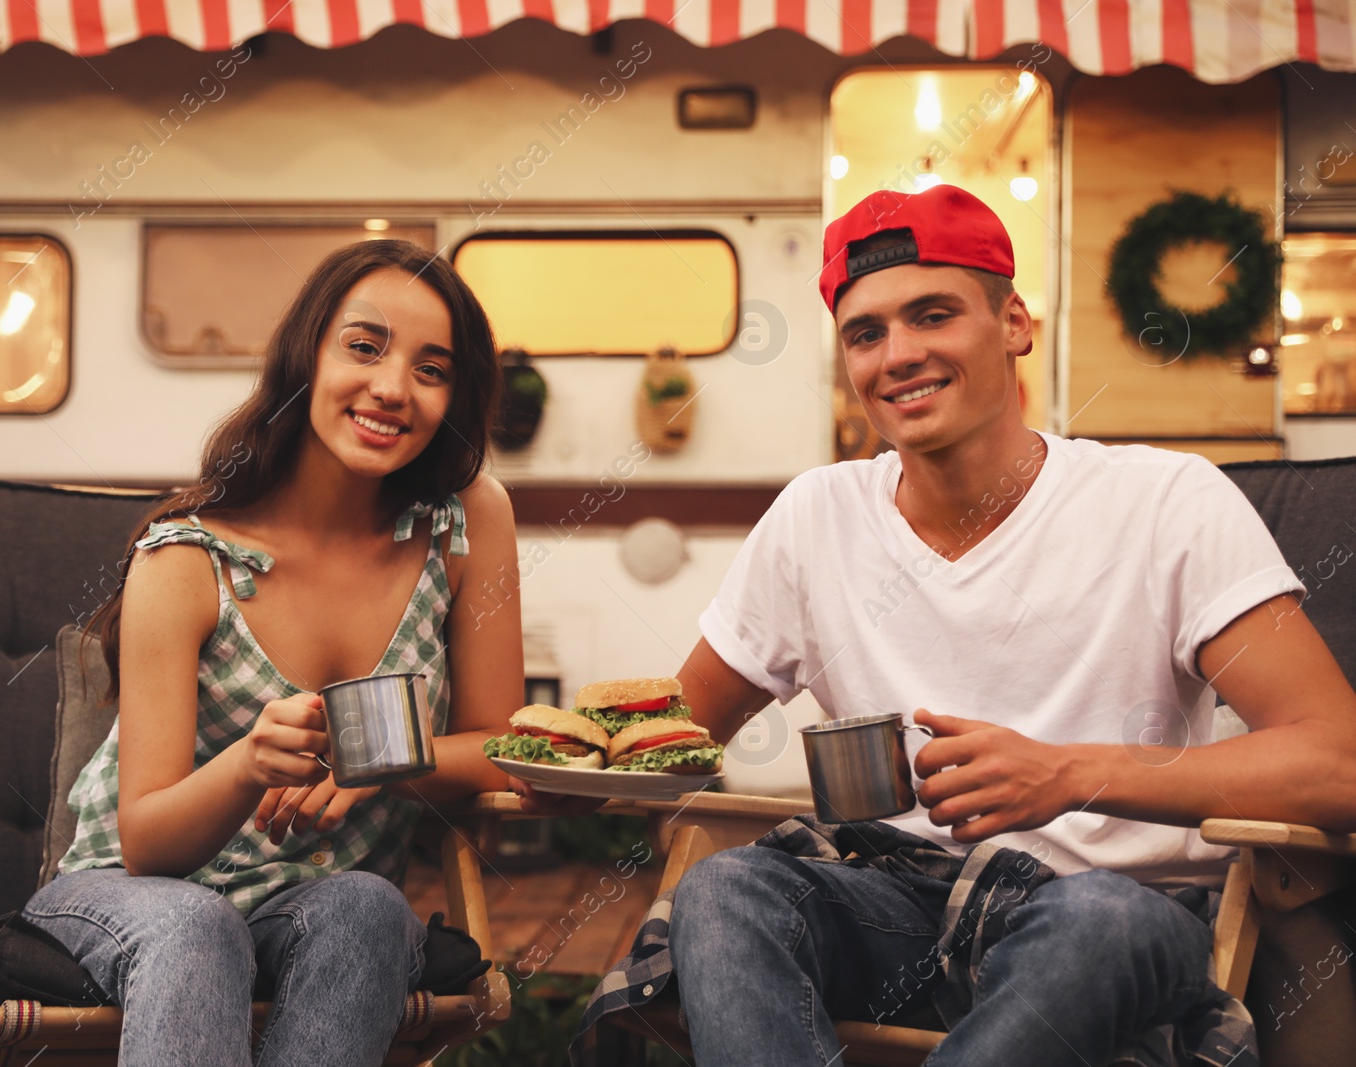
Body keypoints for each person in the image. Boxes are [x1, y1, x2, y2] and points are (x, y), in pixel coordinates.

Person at [570, 186, 1356, 1066]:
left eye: (932, 314)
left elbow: (1337, 760)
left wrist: (1069, 773)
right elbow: (676, 737)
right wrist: (549, 757)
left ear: (1013, 322)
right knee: (724, 890)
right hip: (895, 909)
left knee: (1100, 918)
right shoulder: (816, 516)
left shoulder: (1167, 500)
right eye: (866, 333)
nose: (898, 355)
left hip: (1107, 915)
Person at [21, 240, 524, 1066]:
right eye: (364, 347)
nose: (393, 387)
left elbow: (504, 747)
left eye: (433, 369)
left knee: (367, 905)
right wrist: (250, 762)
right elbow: (147, 842)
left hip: (307, 905)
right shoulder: (186, 561)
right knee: (197, 923)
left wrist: (380, 760)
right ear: (306, 353)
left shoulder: (464, 522)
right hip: (130, 897)